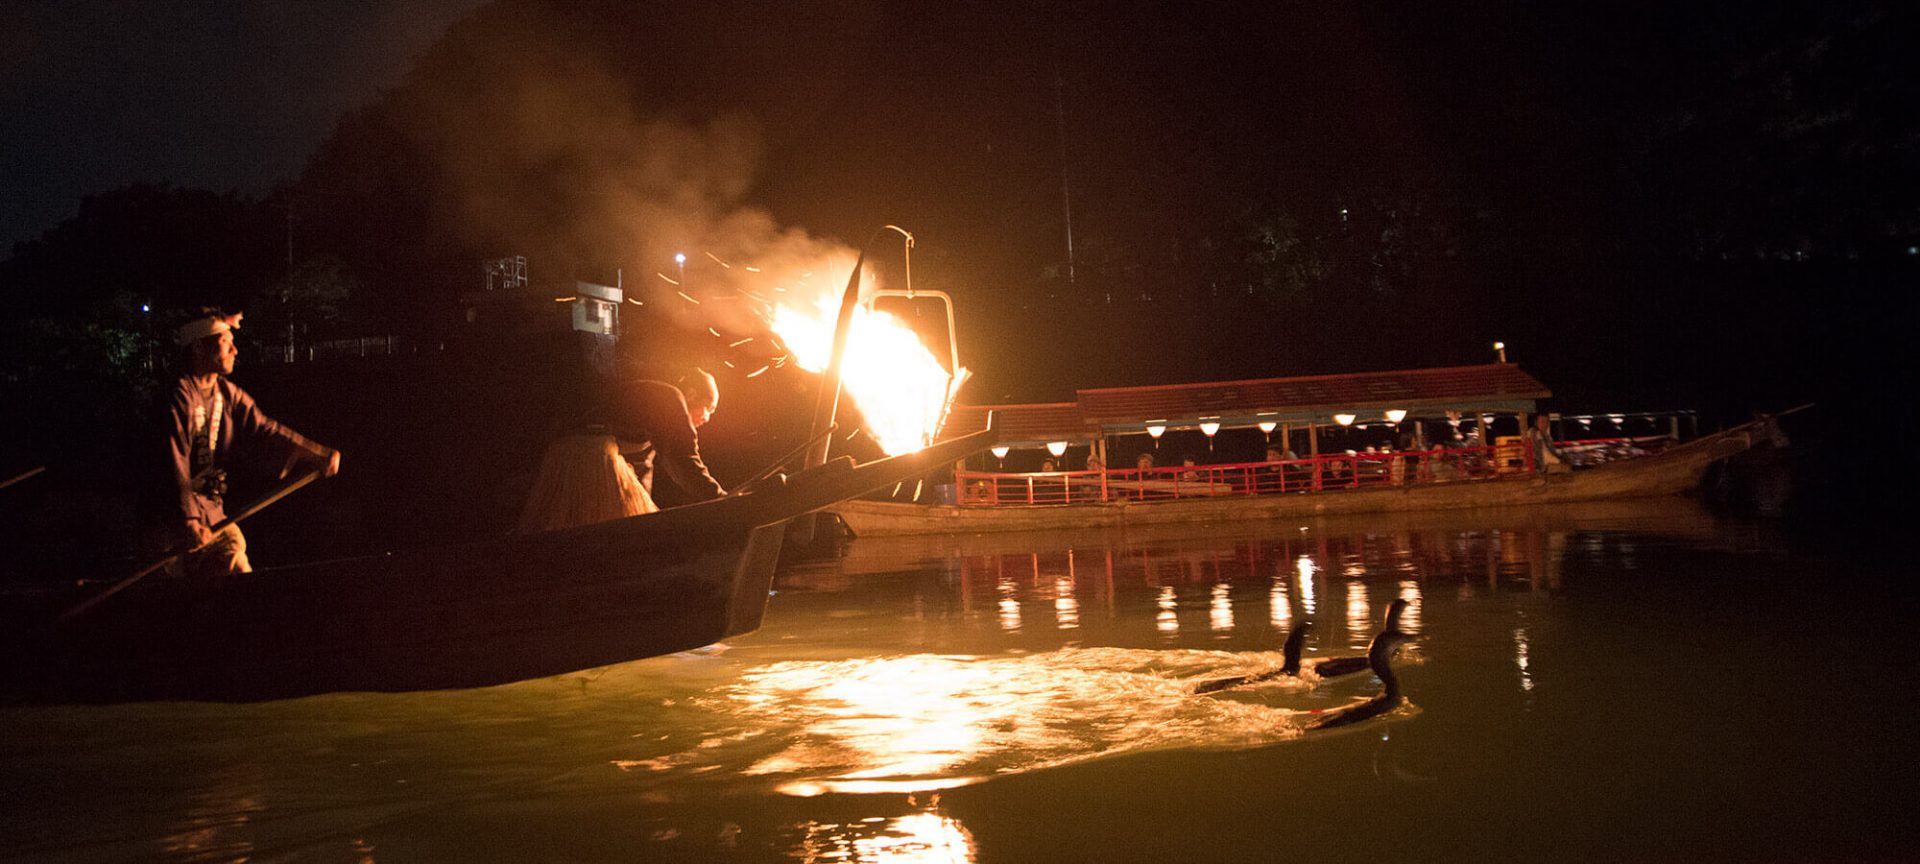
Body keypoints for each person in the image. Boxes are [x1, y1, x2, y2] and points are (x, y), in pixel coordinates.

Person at [153, 309, 342, 579]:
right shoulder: (180, 396)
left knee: (238, 567)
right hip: (171, 520)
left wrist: (317, 454)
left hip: (211, 516)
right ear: (197, 347)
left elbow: (264, 428)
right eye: (225, 341)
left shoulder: (227, 394)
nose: (234, 350)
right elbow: (174, 459)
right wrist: (188, 520)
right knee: (172, 593)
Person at [515, 369, 725, 533]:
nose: (707, 418)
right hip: (591, 456)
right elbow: (683, 458)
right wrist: (720, 498)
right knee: (604, 532)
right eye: (709, 408)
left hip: (566, 455)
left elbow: (642, 470)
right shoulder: (671, 399)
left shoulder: (654, 407)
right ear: (692, 394)